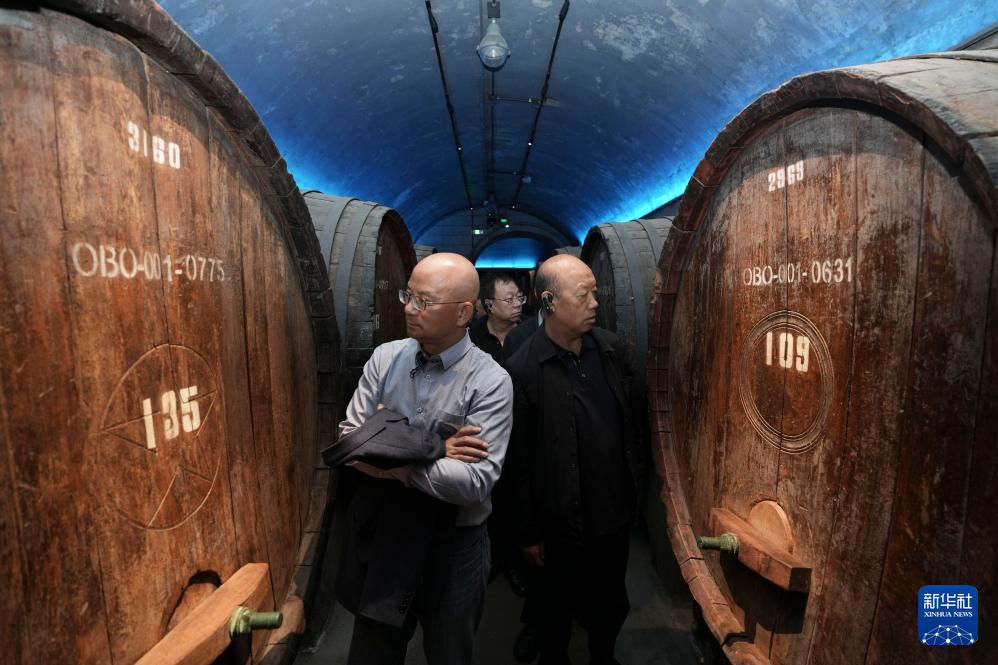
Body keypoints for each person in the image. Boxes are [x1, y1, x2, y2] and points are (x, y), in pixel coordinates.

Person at [337, 252, 513, 665]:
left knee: (450, 650)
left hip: (454, 546)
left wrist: (390, 451)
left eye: (423, 301)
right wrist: (436, 448)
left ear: (463, 313)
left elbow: (472, 484)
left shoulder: (491, 381)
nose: (408, 308)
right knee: (374, 651)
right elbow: (349, 442)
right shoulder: (386, 358)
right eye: (408, 295)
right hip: (389, 530)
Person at [504, 254, 644, 665]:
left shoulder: (612, 350)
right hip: (559, 524)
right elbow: (516, 463)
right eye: (583, 296)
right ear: (549, 301)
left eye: (595, 293)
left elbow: (633, 425)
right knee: (554, 609)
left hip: (612, 516)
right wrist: (527, 533)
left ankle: (604, 657)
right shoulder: (523, 370)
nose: (595, 303)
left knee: (610, 602)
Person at [470, 272, 524, 364]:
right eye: (509, 299)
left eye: (519, 297)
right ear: (489, 305)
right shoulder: (472, 336)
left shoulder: (531, 330)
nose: (518, 304)